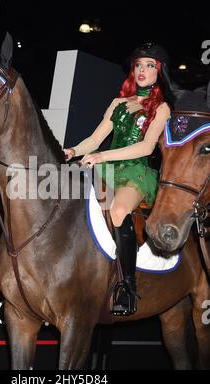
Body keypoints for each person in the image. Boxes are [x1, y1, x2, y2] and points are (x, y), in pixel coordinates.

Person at [63, 43, 174, 316]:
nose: (142, 70)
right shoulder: (118, 104)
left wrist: (102, 156)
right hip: (107, 170)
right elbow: (95, 139)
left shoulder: (162, 108)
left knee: (119, 210)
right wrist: (73, 150)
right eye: (138, 65)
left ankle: (127, 287)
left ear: (159, 72)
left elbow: (147, 148)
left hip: (137, 172)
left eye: (149, 65)